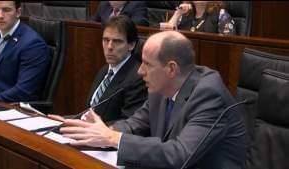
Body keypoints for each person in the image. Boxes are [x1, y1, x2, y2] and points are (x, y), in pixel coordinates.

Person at [57, 31, 246, 169]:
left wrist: (112, 138)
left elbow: (180, 155)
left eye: (147, 64)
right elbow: (135, 124)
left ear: (171, 69)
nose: (140, 71)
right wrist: (92, 132)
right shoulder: (160, 87)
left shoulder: (209, 94)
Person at [82, 15, 147, 122]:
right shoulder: (105, 70)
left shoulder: (137, 78)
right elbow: (89, 111)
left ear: (131, 45)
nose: (109, 47)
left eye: (117, 41)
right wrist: (64, 121)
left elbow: (128, 122)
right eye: (106, 40)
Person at [0, 1, 49, 102]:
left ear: (18, 12)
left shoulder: (33, 44)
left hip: (10, 107)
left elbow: (23, 92)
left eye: (6, 10)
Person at [168, 1, 236, 34]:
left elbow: (227, 46)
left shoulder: (222, 15)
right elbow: (166, 36)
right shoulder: (184, 13)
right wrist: (177, 13)